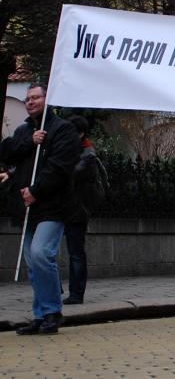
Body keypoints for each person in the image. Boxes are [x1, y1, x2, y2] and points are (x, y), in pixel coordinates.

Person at [1, 84, 80, 335]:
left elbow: (60, 167)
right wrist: (29, 141)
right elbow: (6, 153)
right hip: (26, 209)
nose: (30, 102)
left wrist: (36, 190)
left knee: (40, 254)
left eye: (36, 97)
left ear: (48, 99)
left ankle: (52, 311)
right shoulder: (24, 130)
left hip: (52, 206)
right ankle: (41, 314)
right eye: (27, 99)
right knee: (33, 263)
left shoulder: (63, 129)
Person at [63, 115, 103, 305]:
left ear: (80, 134)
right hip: (66, 206)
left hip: (77, 208)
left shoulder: (87, 154)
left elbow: (72, 174)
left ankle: (76, 293)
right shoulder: (73, 149)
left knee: (76, 251)